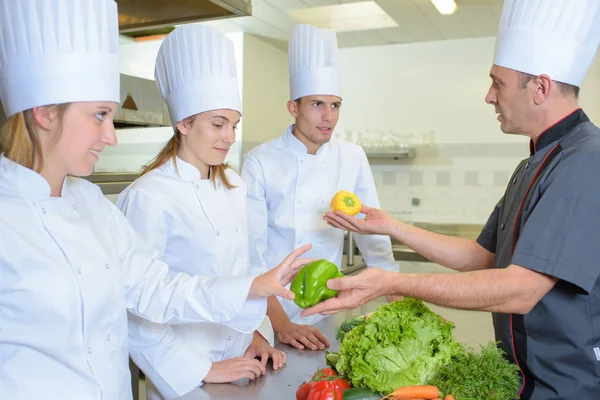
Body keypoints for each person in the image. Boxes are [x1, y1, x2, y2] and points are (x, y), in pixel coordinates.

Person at [0, 1, 312, 398]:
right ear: (44, 112)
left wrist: (252, 289)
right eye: (99, 115)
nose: (112, 135)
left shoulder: (92, 203)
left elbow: (154, 290)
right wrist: (199, 365)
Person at [303, 1, 600, 399]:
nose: (489, 96)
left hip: (566, 385)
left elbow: (521, 289)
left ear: (541, 88)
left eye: (498, 83)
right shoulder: (533, 163)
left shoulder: (585, 162)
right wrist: (391, 225)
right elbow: (481, 256)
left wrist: (393, 283)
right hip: (521, 379)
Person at [116, 25, 287, 400]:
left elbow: (243, 273)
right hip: (187, 378)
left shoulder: (234, 186)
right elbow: (134, 311)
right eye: (218, 124)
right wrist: (205, 370)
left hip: (244, 366)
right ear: (183, 123)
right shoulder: (149, 196)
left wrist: (254, 335)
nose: (230, 136)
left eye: (234, 125)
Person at [241, 23, 397, 352]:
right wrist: (280, 322)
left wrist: (396, 299)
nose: (328, 117)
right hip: (267, 316)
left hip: (325, 308)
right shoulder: (260, 161)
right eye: (317, 105)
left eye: (335, 105)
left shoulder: (352, 156)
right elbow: (249, 253)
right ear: (293, 107)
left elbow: (374, 235)